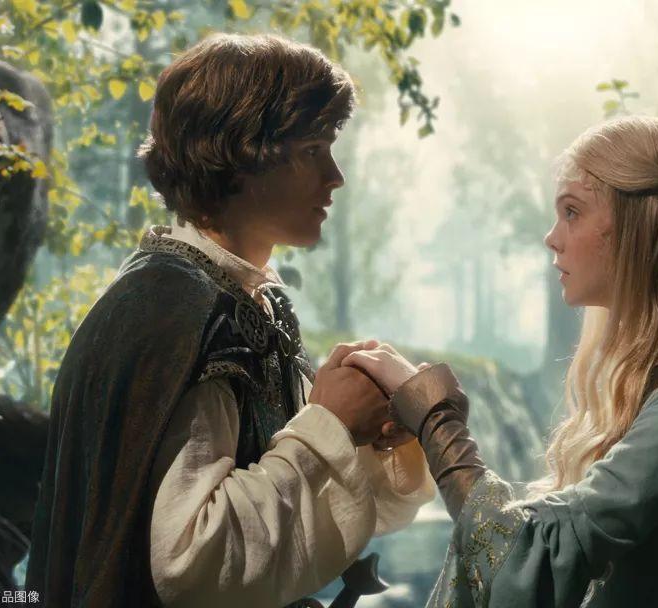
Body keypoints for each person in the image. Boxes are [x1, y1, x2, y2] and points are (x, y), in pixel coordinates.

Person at [25, 33, 435, 608]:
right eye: (314, 149)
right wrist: (329, 426)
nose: (335, 175)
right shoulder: (173, 311)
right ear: (244, 154)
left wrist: (369, 432)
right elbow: (192, 562)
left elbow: (298, 511)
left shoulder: (242, 298)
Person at [343, 116, 658, 607]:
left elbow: (538, 555)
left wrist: (434, 418)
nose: (551, 237)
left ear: (641, 224)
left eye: (572, 211)